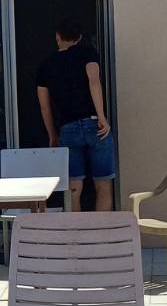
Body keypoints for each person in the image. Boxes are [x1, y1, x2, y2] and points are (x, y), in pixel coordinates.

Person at [36, 18, 114, 212]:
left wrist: (52, 134)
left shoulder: (45, 65)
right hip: (95, 125)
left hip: (67, 128)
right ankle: (101, 230)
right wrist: (101, 116)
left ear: (58, 37)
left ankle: (75, 229)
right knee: (103, 184)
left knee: (73, 188)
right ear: (79, 38)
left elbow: (44, 106)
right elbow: (93, 80)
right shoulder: (88, 52)